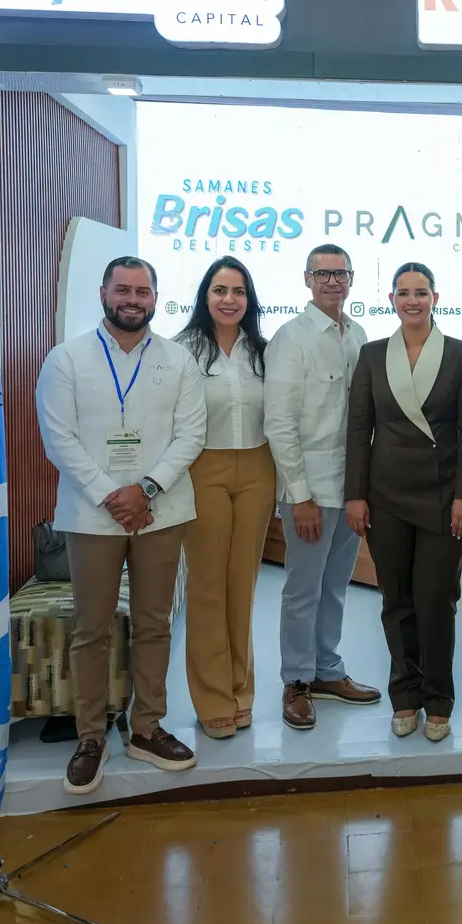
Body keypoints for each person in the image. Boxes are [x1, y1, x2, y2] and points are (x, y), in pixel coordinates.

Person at [35, 256, 206, 795]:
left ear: (155, 297)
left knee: (155, 622)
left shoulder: (178, 359)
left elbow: (191, 434)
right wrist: (114, 495)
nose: (133, 299)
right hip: (93, 513)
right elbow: (59, 439)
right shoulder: (66, 359)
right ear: (104, 294)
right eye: (123, 290)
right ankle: (90, 736)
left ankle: (147, 728)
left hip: (161, 510)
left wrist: (145, 489)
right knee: (92, 627)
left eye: (143, 291)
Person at [345, 263, 462, 741]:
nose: (412, 301)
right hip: (385, 496)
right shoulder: (371, 355)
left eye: (420, 292)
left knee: (436, 600)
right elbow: (358, 430)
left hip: (444, 496)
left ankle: (439, 699)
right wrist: (356, 495)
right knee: (396, 600)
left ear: (435, 298)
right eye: (403, 293)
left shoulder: (461, 355)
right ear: (391, 300)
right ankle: (404, 695)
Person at [263, 245, 380, 729]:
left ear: (351, 278)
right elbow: (279, 423)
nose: (332, 281)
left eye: (340, 273)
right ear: (307, 279)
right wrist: (300, 496)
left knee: (335, 587)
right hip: (309, 492)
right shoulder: (291, 339)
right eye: (323, 273)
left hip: (350, 490)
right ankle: (296, 680)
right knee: (302, 590)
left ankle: (327, 671)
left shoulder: (358, 335)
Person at [176, 258, 276, 739]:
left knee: (243, 585)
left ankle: (241, 690)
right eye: (220, 290)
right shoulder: (182, 350)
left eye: (238, 291)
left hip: (258, 467)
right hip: (203, 468)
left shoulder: (264, 351)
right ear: (205, 295)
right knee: (208, 586)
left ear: (249, 299)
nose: (229, 299)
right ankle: (212, 697)